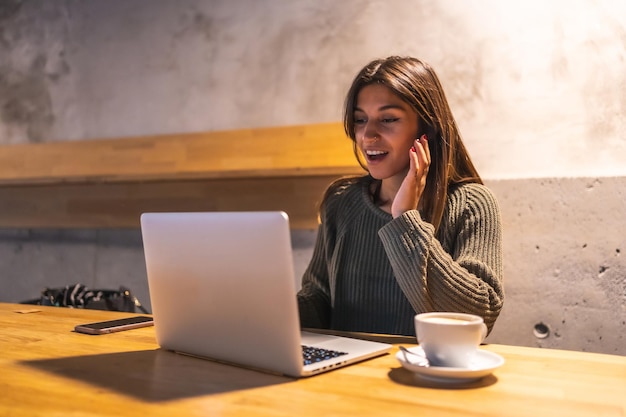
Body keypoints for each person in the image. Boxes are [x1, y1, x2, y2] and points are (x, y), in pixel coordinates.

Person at [297, 56, 504, 336]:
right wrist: (267, 307)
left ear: (427, 128)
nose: (368, 134)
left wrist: (406, 220)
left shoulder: (472, 204)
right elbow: (318, 299)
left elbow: (476, 318)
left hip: (427, 374)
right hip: (344, 375)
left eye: (388, 119)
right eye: (360, 120)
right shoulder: (340, 201)